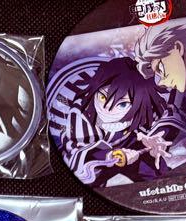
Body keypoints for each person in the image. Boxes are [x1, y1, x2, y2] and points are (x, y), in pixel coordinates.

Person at [61, 57, 178, 186]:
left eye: (122, 104)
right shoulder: (81, 112)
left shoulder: (141, 105)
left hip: (129, 144)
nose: (106, 109)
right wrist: (112, 155)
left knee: (158, 172)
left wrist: (151, 141)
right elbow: (78, 153)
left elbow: (165, 118)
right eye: (102, 97)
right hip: (95, 157)